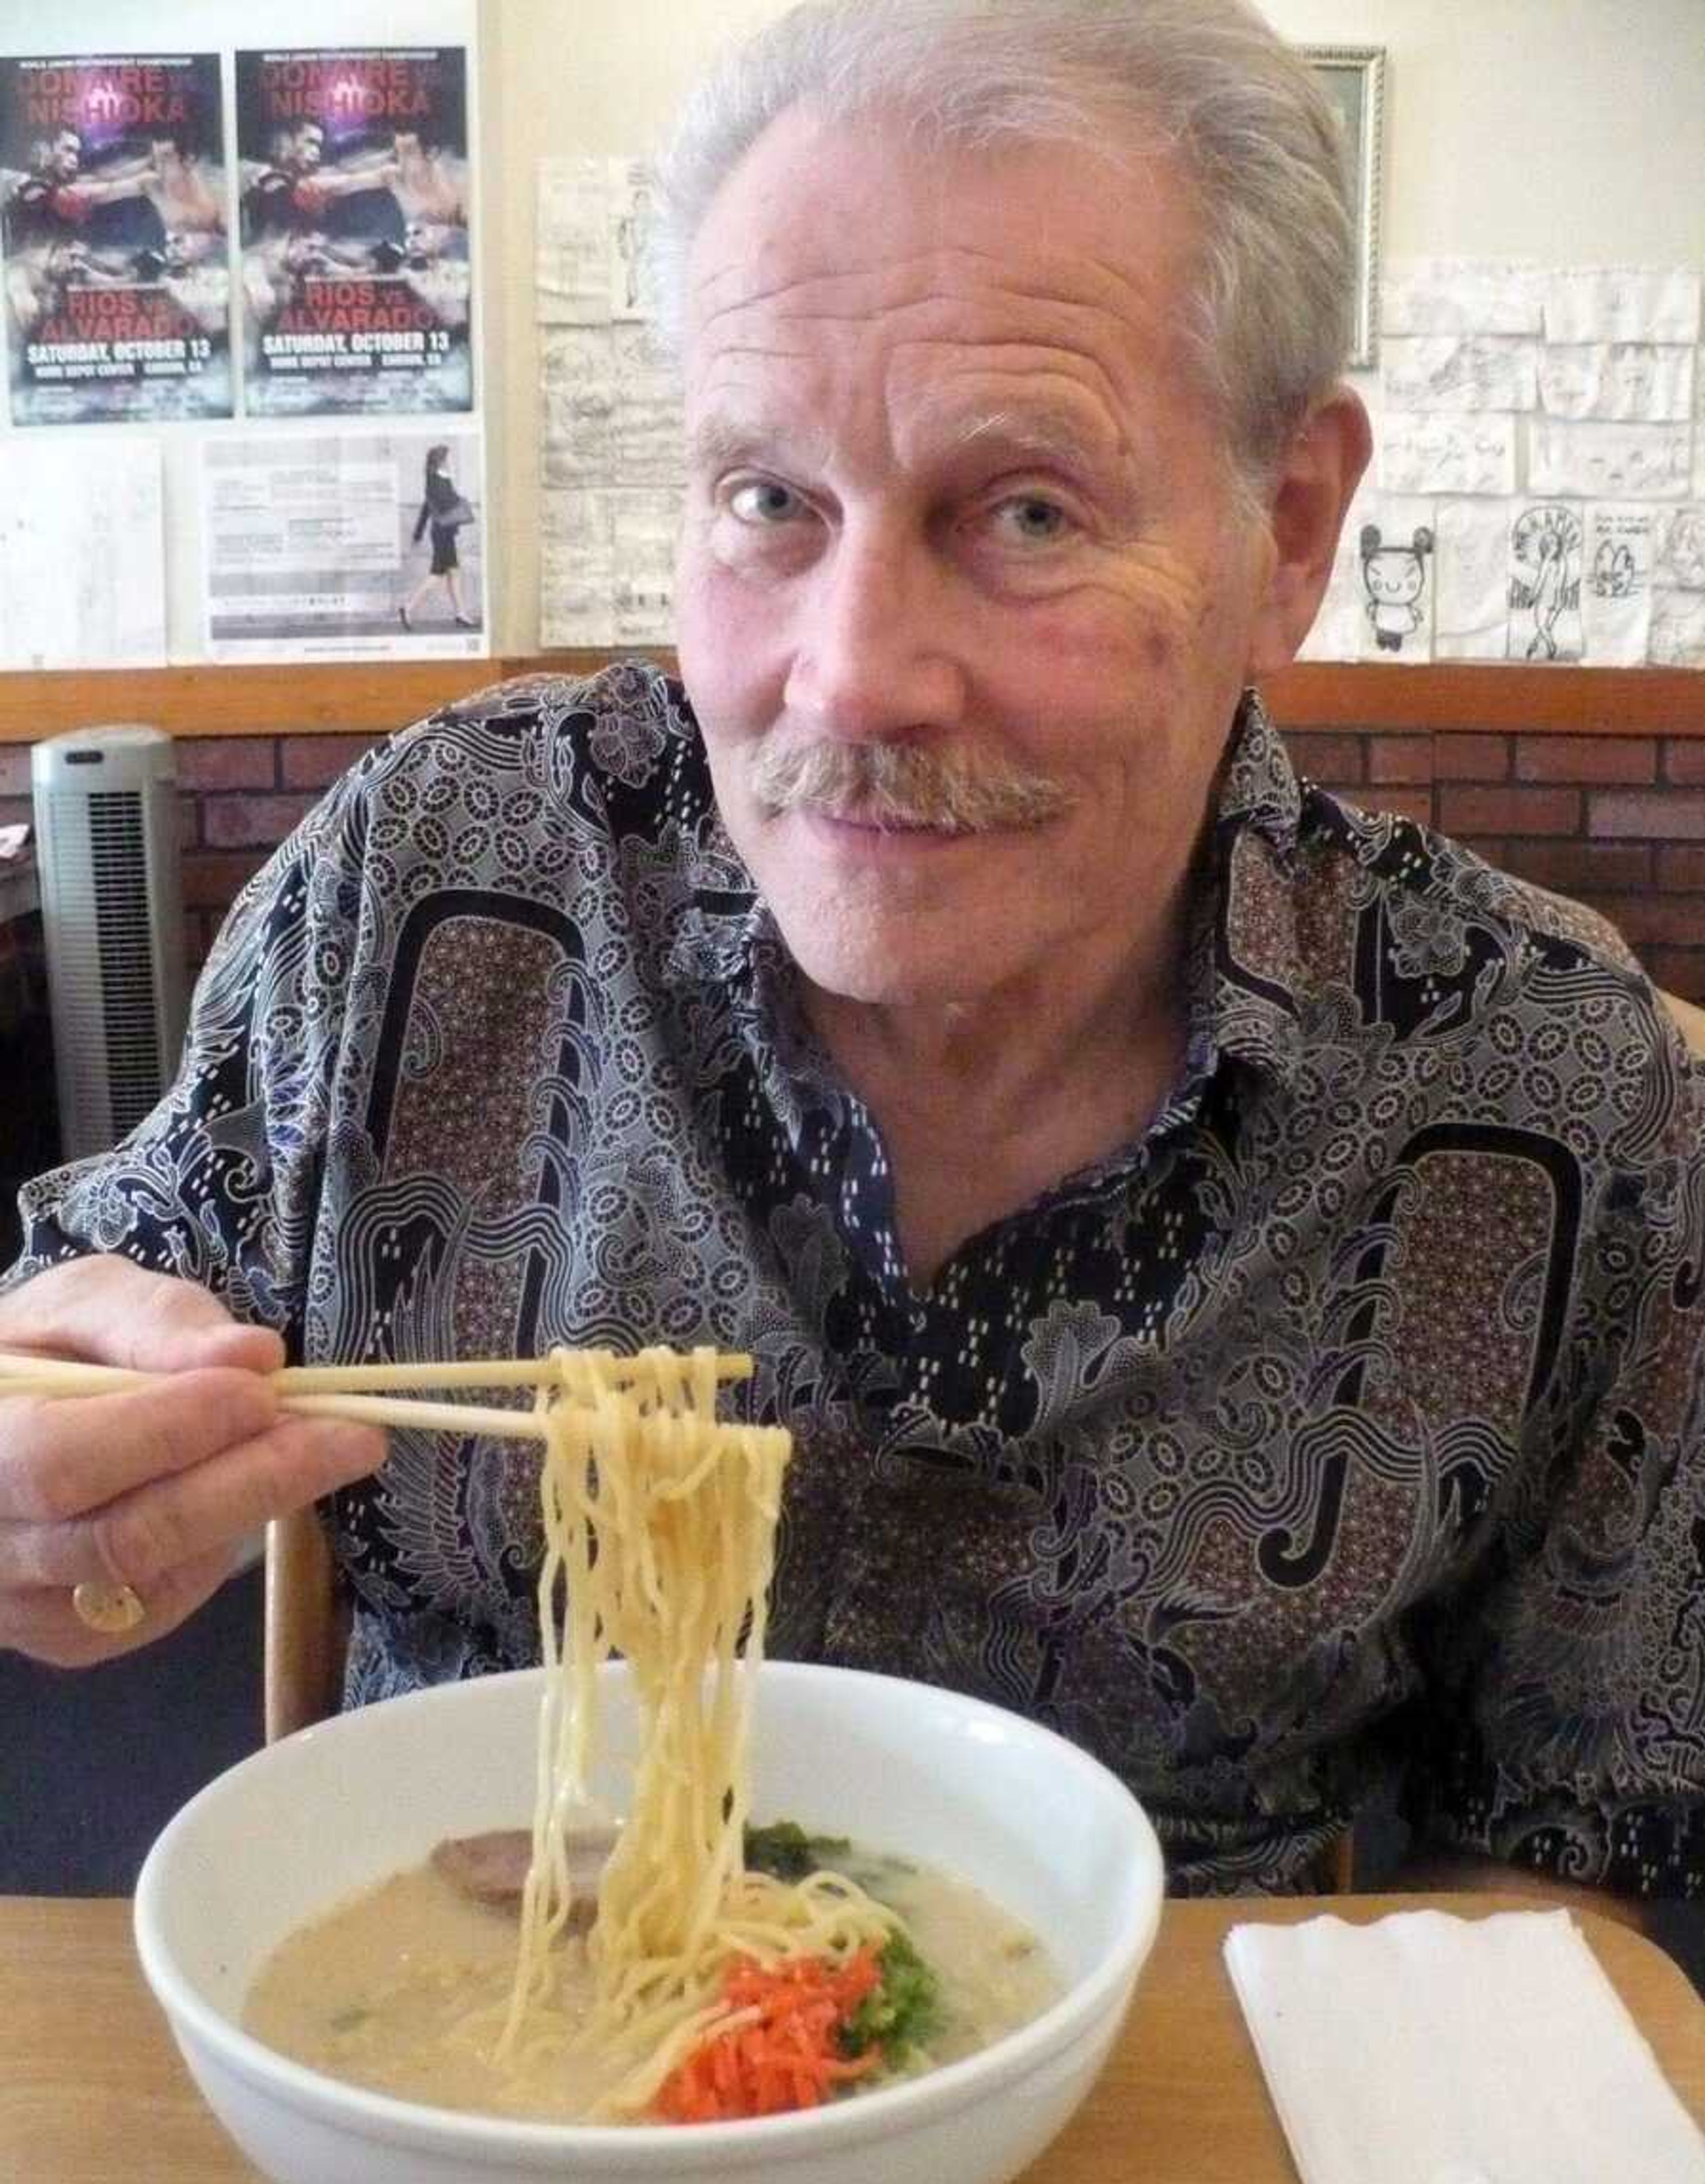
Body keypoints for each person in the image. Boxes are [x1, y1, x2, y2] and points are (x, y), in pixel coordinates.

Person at [2, 0, 1701, 1911]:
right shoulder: (434, 888)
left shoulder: (1542, 1087)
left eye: (1026, 510)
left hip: (1160, 2099)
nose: (851, 677)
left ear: (1286, 527)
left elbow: (1571, 1849)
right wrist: (57, 1479)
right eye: (767, 501)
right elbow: (83, 1337)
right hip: (468, 2045)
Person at [400, 443, 477, 629]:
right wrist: (459, 501)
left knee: (454, 573)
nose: (449, 462)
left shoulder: (435, 480)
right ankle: (408, 608)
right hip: (442, 535)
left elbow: (427, 509)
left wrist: (418, 533)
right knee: (437, 575)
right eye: (447, 459)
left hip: (444, 534)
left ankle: (461, 614)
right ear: (441, 462)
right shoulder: (437, 481)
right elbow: (443, 505)